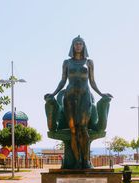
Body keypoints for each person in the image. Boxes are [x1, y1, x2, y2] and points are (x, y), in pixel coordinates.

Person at [44, 36, 112, 169]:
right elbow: (63, 81)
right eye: (76, 44)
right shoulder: (67, 62)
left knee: (83, 128)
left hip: (85, 97)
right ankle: (76, 161)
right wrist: (53, 94)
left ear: (84, 46)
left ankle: (85, 161)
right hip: (69, 98)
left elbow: (92, 82)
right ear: (73, 46)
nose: (78, 46)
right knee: (73, 130)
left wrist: (101, 94)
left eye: (80, 44)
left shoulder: (89, 62)